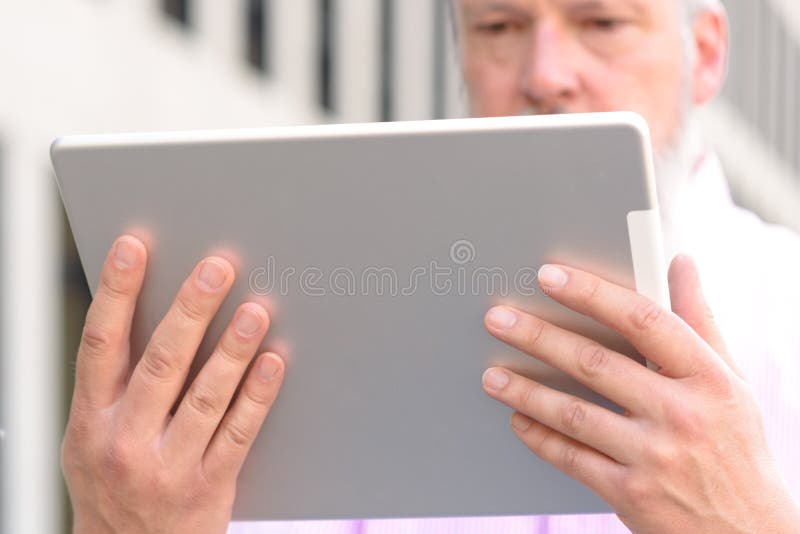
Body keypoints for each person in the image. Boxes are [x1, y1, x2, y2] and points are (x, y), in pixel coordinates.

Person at [61, 0, 800, 532]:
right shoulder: (327, 317)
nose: (547, 75)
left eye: (602, 22)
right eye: (500, 27)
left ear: (704, 55)